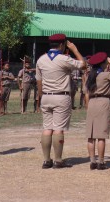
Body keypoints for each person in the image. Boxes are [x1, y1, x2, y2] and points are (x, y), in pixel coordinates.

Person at [35, 33, 88, 169]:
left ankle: (46, 160)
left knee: (47, 128)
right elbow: (83, 65)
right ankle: (58, 160)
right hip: (61, 96)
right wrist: (75, 50)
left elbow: (39, 81)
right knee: (58, 129)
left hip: (46, 96)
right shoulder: (64, 59)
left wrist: (41, 96)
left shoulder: (41, 59)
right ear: (62, 44)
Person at [83, 52, 110, 170]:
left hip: (92, 103)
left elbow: (85, 91)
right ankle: (101, 161)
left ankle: (92, 161)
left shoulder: (90, 76)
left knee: (91, 135)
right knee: (101, 135)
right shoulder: (106, 75)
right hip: (103, 101)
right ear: (103, 63)